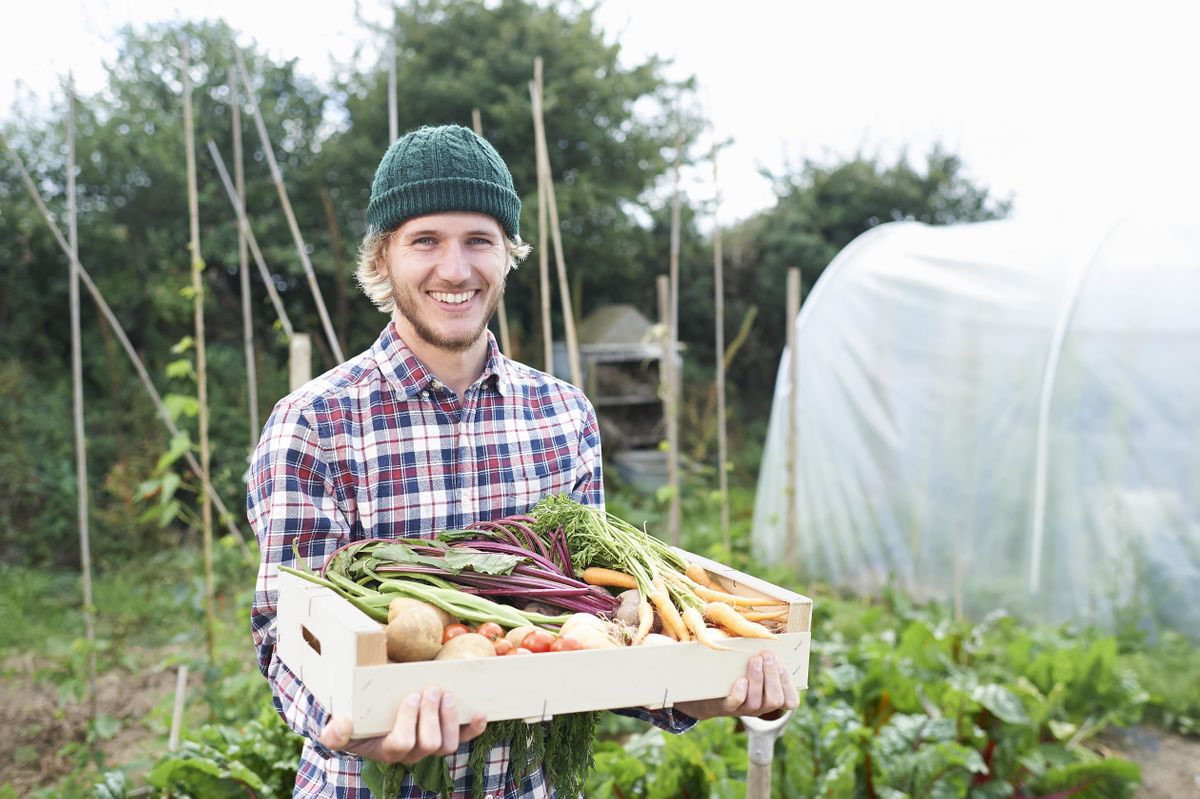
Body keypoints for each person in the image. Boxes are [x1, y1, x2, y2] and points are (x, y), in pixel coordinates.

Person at [248, 123, 799, 798]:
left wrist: (696, 691)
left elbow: (592, 630)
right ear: (383, 256)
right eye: (426, 240)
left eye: (479, 240)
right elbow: (284, 636)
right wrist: (357, 723)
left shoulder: (563, 416)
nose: (455, 269)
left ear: (508, 255)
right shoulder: (314, 423)